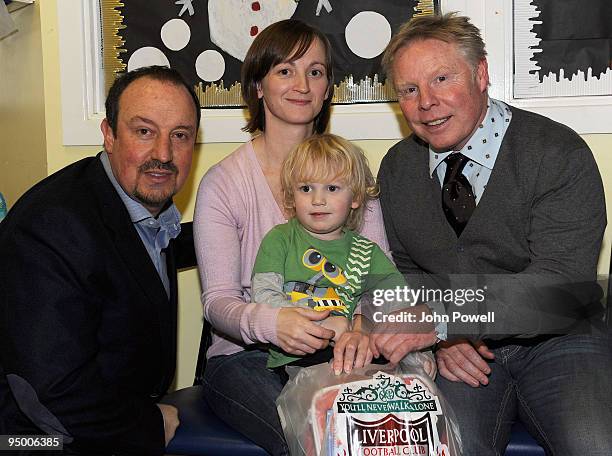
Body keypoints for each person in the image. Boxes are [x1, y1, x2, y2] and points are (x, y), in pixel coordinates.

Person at [370, 12, 612, 455]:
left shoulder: (558, 153)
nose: (426, 102)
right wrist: (443, 340)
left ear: (481, 74)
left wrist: (445, 321)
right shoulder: (398, 168)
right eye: (409, 90)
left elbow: (561, 289)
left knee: (595, 444)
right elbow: (402, 270)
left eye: (442, 78)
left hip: (561, 341)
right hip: (463, 354)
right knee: (444, 448)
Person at [193, 20, 390, 455]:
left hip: (342, 344)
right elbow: (218, 301)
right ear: (258, 86)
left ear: (327, 89)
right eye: (285, 70)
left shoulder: (353, 175)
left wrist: (360, 328)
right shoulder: (225, 183)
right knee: (315, 436)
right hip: (247, 356)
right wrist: (274, 323)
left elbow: (379, 285)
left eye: (315, 72)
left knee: (382, 430)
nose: (302, 84)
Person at [0, 66, 200, 455]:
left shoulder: (132, 205)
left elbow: (129, 264)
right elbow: (51, 392)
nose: (163, 154)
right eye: (144, 131)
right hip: (31, 441)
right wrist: (149, 424)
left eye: (180, 135)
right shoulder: (50, 227)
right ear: (109, 135)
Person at [252, 133, 435, 374]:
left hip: (356, 353)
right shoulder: (280, 239)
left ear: (356, 198)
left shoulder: (366, 252)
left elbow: (398, 303)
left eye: (332, 188)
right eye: (306, 188)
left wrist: (417, 352)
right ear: (291, 196)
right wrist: (321, 323)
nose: (318, 200)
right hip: (297, 354)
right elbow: (263, 295)